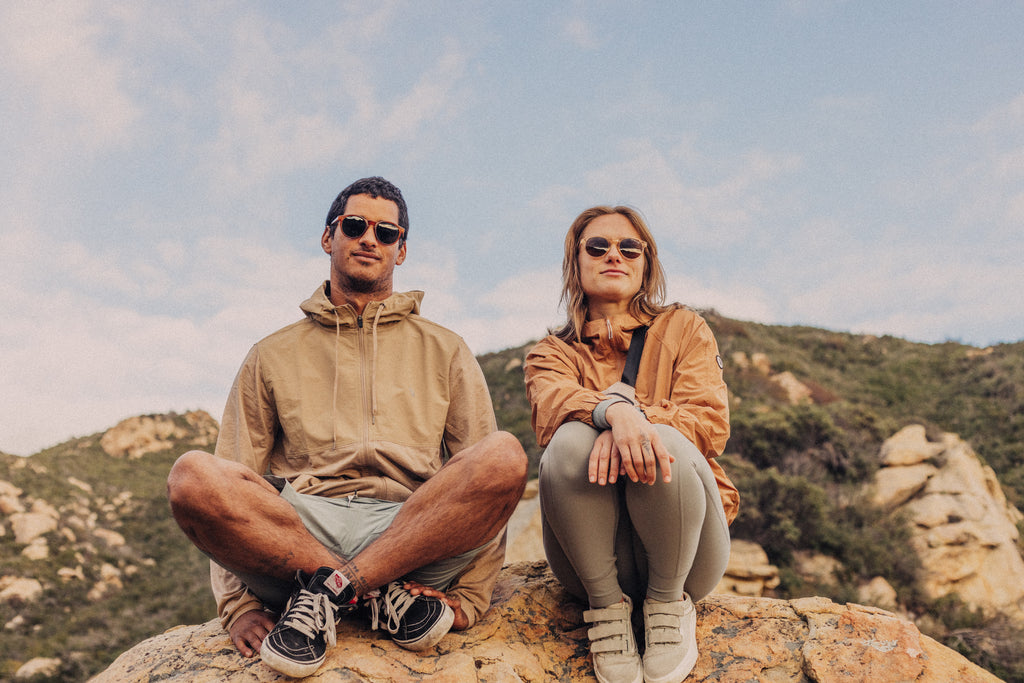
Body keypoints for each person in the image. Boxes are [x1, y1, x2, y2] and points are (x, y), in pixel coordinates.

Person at [168, 176, 528, 678]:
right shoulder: (270, 354)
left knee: (505, 455)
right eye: (355, 225)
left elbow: (487, 485)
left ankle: (330, 594)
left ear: (401, 251)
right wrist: (239, 607)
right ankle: (372, 594)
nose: (369, 239)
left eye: (386, 233)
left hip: (410, 533)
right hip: (301, 535)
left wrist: (468, 597)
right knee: (192, 476)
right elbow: (235, 471)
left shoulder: (446, 349)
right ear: (327, 237)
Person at [523, 205, 738, 683]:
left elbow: (708, 423)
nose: (613, 255)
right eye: (597, 247)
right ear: (575, 263)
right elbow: (551, 405)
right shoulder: (550, 353)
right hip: (592, 567)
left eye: (629, 247)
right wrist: (611, 415)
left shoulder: (685, 329)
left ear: (646, 263)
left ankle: (666, 609)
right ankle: (609, 614)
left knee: (665, 440)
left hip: (686, 558)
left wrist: (637, 423)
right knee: (567, 445)